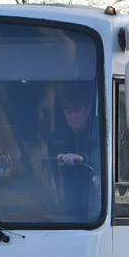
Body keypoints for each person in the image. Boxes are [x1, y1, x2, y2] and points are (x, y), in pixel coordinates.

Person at [49, 85, 101, 220]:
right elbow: (46, 163)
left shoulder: (98, 131)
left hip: (94, 204)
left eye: (77, 111)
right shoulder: (57, 135)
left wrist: (82, 158)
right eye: (68, 112)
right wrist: (57, 158)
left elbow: (102, 158)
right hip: (61, 203)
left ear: (88, 109)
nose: (73, 116)